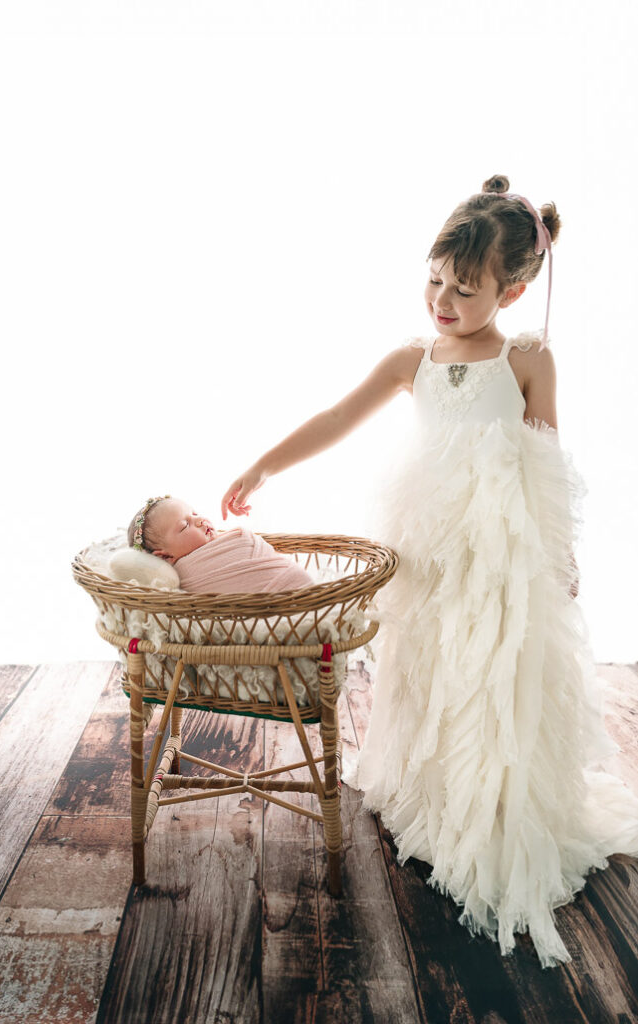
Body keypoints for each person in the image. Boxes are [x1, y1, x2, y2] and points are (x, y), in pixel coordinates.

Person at [219, 174, 638, 969]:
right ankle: (437, 792)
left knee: (490, 673)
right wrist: (264, 466)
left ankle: (490, 812)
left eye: (464, 289)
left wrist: (560, 553)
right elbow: (339, 416)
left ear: (510, 292)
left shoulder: (527, 358)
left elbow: (544, 455)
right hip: (428, 542)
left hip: (498, 549)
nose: (441, 299)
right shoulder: (412, 355)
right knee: (429, 666)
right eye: (434, 279)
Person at [127, 495, 313, 593]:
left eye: (194, 513)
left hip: (295, 587)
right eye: (185, 525)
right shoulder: (184, 575)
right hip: (281, 604)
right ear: (166, 556)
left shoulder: (216, 544)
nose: (200, 520)